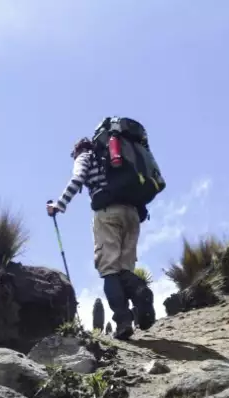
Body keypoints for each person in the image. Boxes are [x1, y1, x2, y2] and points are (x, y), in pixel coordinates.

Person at [48, 137, 156, 340]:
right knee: (124, 269)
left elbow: (78, 178)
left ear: (78, 149)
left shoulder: (85, 156)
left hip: (108, 213)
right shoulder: (118, 158)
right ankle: (140, 292)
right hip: (132, 213)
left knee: (108, 270)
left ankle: (124, 322)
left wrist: (59, 205)